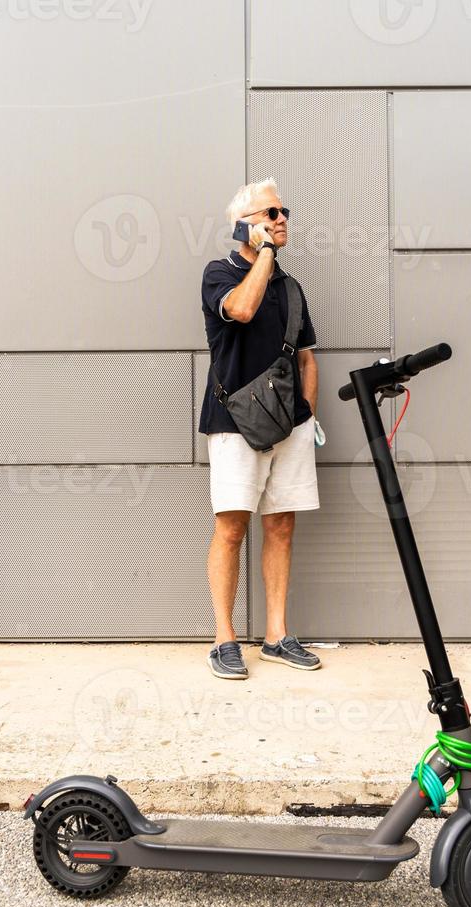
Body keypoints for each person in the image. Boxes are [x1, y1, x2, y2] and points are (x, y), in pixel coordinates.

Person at [199, 179, 322, 680]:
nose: (281, 219)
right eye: (269, 213)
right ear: (243, 224)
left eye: (283, 211)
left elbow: (309, 358)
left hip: (289, 427)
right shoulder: (218, 274)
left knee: (282, 525)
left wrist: (306, 412)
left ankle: (276, 635)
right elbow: (242, 310)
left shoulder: (291, 289)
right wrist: (264, 252)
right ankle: (223, 640)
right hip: (233, 424)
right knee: (231, 528)